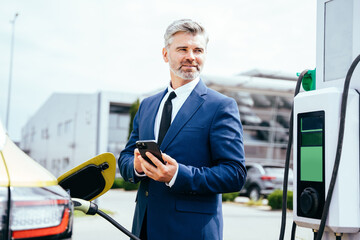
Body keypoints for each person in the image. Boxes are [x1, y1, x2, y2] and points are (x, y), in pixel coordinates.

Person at [118, 19, 246, 240]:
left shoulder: (220, 106)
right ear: (166, 54)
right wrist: (136, 166)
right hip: (145, 228)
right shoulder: (147, 105)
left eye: (198, 50)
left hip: (192, 231)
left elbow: (234, 174)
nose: (191, 56)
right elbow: (126, 157)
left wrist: (178, 175)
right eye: (183, 49)